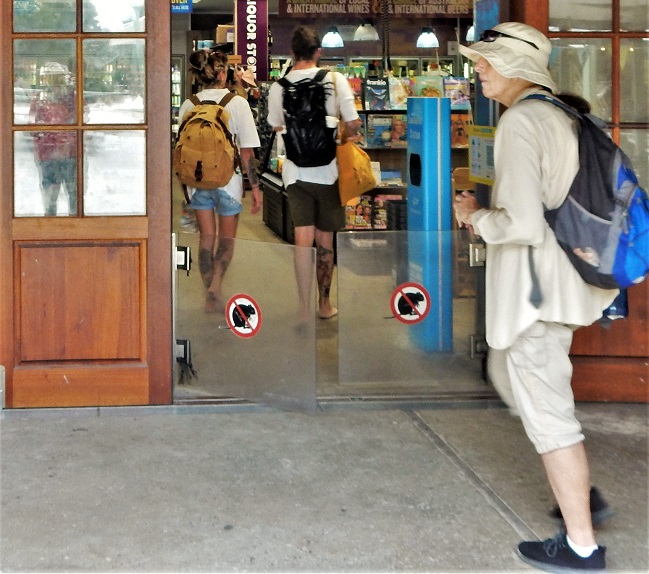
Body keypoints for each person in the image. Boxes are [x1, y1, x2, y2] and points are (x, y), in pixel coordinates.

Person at [454, 22, 618, 572]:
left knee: (550, 415)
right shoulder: (559, 113)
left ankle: (581, 544)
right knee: (507, 373)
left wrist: (475, 217)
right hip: (559, 283)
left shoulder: (521, 122)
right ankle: (579, 491)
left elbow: (521, 223)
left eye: (486, 61)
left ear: (515, 66)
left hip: (534, 295)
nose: (478, 69)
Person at [267, 26, 362, 324]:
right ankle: (324, 304)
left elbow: (276, 125)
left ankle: (302, 309)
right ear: (318, 52)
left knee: (302, 239)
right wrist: (342, 131)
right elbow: (353, 123)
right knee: (325, 242)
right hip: (329, 172)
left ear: (292, 53)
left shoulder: (279, 87)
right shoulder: (335, 80)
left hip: (295, 173)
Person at [178, 50, 262, 313]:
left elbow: (182, 147)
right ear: (223, 74)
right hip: (229, 183)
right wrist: (255, 188)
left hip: (197, 183)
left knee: (206, 238)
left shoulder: (188, 104)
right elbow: (247, 152)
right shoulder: (237, 103)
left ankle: (209, 296)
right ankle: (216, 284)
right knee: (227, 240)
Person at [30, 62, 77, 216]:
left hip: (68, 153)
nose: (54, 85)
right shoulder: (39, 99)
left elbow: (82, 119)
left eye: (57, 80)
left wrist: (66, 140)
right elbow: (33, 126)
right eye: (51, 80)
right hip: (49, 154)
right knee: (50, 194)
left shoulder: (73, 99)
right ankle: (50, 221)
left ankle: (76, 221)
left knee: (74, 192)